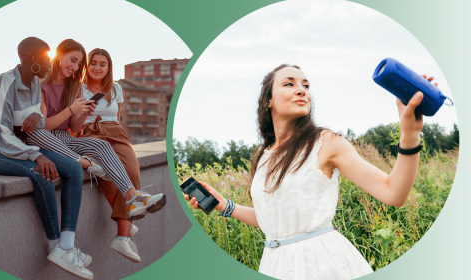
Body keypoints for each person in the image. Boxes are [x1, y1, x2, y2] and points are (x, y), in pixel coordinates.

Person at [185, 64, 433, 280]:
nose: (301, 90)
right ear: (268, 100)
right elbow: (274, 222)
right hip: (274, 264)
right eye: (289, 84)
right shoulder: (263, 155)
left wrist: (410, 135)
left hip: (322, 263)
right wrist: (224, 206)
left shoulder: (327, 143)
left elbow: (393, 194)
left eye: (305, 85)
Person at [26, 40, 166, 263]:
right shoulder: (50, 87)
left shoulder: (78, 87)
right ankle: (88, 167)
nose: (77, 67)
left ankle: (132, 197)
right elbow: (48, 128)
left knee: (110, 153)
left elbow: (78, 126)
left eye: (78, 62)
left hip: (84, 136)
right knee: (102, 166)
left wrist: (82, 111)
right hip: (57, 138)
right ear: (58, 56)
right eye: (77, 61)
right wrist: (75, 110)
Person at [0, 37, 94, 280]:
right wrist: (37, 155)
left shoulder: (33, 85)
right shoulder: (5, 82)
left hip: (21, 144)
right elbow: (0, 133)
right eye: (46, 57)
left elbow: (37, 122)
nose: (50, 63)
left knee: (72, 167)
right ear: (33, 59)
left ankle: (67, 245)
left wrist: (34, 121)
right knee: (42, 173)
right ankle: (54, 246)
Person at [76, 48, 143, 262]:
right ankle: (125, 226)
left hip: (115, 131)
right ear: (87, 66)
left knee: (132, 173)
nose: (97, 67)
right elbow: (72, 123)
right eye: (93, 63)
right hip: (89, 132)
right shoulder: (78, 88)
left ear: (108, 67)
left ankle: (123, 232)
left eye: (102, 64)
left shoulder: (116, 88)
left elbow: (117, 115)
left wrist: (118, 136)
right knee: (108, 178)